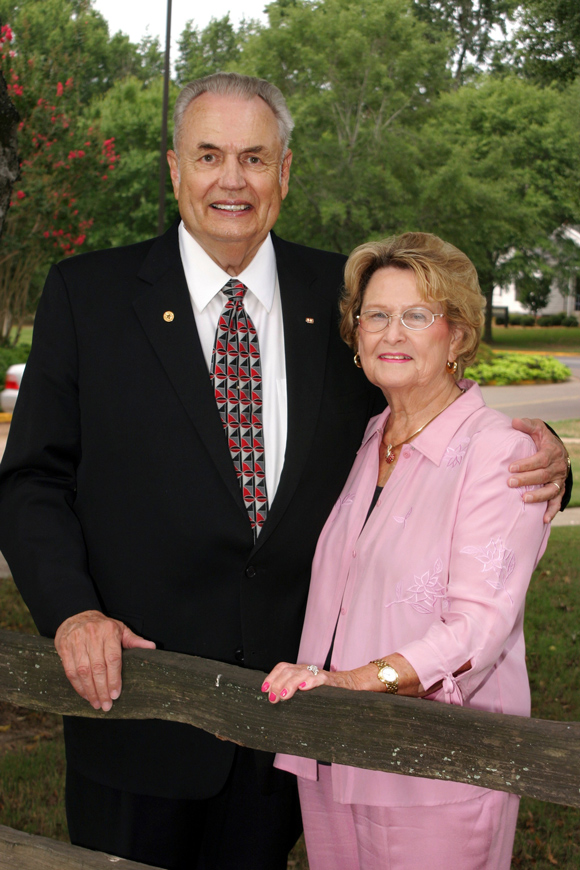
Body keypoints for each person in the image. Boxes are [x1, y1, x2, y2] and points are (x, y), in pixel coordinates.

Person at [0, 74, 570, 870]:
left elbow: (426, 406)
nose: (231, 180)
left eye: (254, 158)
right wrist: (71, 612)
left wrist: (541, 455)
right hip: (137, 707)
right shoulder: (87, 296)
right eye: (209, 156)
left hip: (297, 728)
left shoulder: (344, 300)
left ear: (285, 173)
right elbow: (32, 480)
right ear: (173, 169)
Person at [264, 233, 553, 870]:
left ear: (458, 336)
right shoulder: (370, 438)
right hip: (336, 750)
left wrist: (352, 683)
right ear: (357, 332)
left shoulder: (500, 452)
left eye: (417, 315)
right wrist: (334, 696)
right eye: (376, 315)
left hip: (438, 766)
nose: (392, 332)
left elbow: (479, 624)